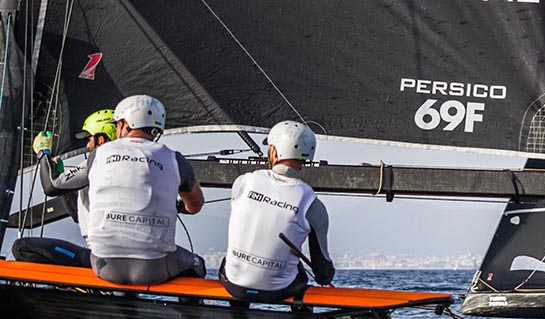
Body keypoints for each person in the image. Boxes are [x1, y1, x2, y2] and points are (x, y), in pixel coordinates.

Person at [86, 94, 206, 285]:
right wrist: (180, 207)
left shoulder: (98, 154)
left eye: (117, 124)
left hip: (104, 265)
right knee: (197, 263)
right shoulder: (175, 159)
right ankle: (187, 314)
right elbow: (196, 205)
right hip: (153, 269)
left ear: (126, 124)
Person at [219, 120, 335, 303]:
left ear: (273, 151)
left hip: (233, 284)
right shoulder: (312, 204)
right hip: (277, 291)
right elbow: (322, 272)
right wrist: (326, 276)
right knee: (301, 276)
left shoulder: (243, 182)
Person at [11, 110, 118, 267]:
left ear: (101, 139)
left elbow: (51, 186)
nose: (87, 146)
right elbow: (78, 215)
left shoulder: (96, 163)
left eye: (89, 140)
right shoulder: (125, 168)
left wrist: (43, 153)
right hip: (116, 260)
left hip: (100, 260)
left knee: (21, 248)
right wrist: (63, 180)